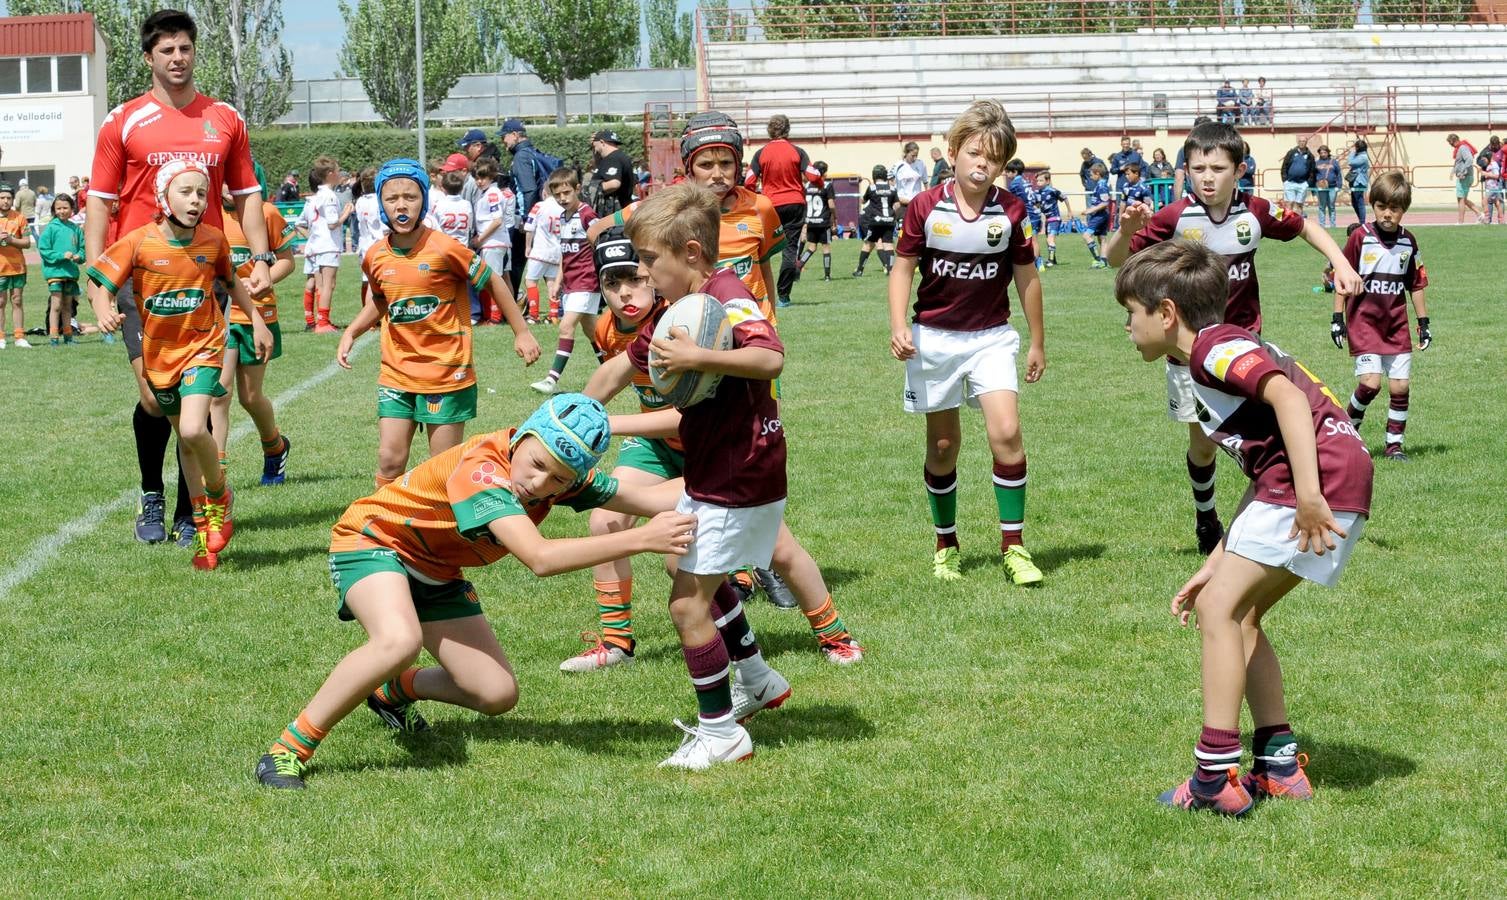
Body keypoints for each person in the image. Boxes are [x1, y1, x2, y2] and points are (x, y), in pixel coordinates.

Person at [253, 393, 701, 790]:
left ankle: (391, 692)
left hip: (437, 568)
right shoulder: (483, 469)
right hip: (374, 541)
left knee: (496, 694)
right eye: (539, 465)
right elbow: (539, 557)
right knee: (398, 641)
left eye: (559, 480)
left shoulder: (563, 473)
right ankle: (287, 749)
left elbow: (652, 499)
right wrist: (640, 539)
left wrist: (734, 468)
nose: (540, 485)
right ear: (523, 435)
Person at [1114, 239, 1373, 816]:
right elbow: (1264, 465)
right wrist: (1219, 556)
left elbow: (1284, 397)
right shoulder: (1209, 350)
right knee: (1240, 613)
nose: (1127, 327)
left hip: (1316, 482)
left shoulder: (1214, 348)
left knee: (1218, 613)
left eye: (1131, 314)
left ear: (1166, 313)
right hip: (1325, 477)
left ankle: (1213, 776)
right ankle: (1278, 764)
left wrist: (1308, 495)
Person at [1105, 119, 1360, 554]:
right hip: (1187, 355)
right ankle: (1207, 517)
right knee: (1204, 444)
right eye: (1199, 168)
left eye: (1218, 168)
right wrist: (1128, 231)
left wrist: (1342, 262)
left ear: (1239, 171)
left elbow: (1305, 227)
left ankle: (1275, 509)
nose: (1208, 178)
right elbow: (1114, 259)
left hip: (1243, 345)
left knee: (1266, 430)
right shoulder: (1174, 217)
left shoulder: (1255, 212)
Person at [614, 182, 794, 767]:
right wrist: (568, 418)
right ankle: (758, 678)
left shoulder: (728, 297)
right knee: (680, 562)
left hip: (739, 472)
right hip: (718, 470)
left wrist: (701, 358)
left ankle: (721, 734)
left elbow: (770, 358)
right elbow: (627, 364)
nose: (642, 275)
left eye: (649, 261)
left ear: (690, 254)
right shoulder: (677, 310)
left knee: (687, 607)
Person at [88, 9, 273, 549]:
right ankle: (152, 493)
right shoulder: (122, 120)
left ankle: (196, 508)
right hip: (138, 274)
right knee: (153, 396)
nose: (177, 58)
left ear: (194, 53)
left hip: (204, 273)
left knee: (199, 396)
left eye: (184, 49)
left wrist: (259, 257)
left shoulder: (224, 118)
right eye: (166, 51)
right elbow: (100, 200)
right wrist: (100, 276)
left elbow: (249, 194)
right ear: (149, 58)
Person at [888, 100, 1047, 586]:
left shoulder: (1012, 210)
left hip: (991, 339)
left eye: (994, 158)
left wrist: (1038, 340)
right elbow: (902, 268)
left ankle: (1014, 547)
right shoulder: (924, 205)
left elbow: (1027, 276)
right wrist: (898, 325)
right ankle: (946, 545)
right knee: (942, 446)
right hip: (933, 339)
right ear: (954, 153)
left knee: (1007, 434)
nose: (983, 164)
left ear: (1003, 165)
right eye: (975, 153)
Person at [87, 160, 273, 570]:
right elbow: (98, 281)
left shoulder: (213, 241)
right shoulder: (138, 243)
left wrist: (257, 320)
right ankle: (205, 536)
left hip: (204, 347)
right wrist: (102, 308)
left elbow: (231, 282)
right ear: (162, 197)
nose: (195, 200)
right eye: (185, 191)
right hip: (159, 358)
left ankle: (219, 496)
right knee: (186, 444)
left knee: (193, 428)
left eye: (201, 193)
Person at [336, 159, 540, 488]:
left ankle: (446, 535)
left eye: (410, 197)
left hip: (447, 374)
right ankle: (381, 531)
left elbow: (493, 282)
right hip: (397, 372)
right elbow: (380, 300)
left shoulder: (445, 249)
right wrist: (352, 331)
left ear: (424, 201)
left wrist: (522, 332)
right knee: (389, 461)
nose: (401, 205)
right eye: (391, 198)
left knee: (443, 469)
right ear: (380, 203)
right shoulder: (374, 255)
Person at [588, 111, 784, 323]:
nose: (717, 174)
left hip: (749, 326)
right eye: (706, 165)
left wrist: (769, 322)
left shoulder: (760, 207)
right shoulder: (665, 206)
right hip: (691, 326)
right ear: (689, 167)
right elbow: (596, 231)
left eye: (726, 163)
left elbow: (764, 269)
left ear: (738, 164)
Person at [1332, 172, 1431, 463]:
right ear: (1372, 205)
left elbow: (1416, 284)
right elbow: (1342, 277)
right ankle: (1346, 433)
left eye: (1395, 208)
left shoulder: (1408, 242)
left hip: (1396, 324)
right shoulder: (1360, 237)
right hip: (1364, 323)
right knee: (1370, 384)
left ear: (1404, 210)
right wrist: (1337, 316)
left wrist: (1424, 322)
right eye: (1381, 207)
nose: (1387, 214)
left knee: (1400, 386)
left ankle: (1394, 446)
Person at [210, 185, 296, 484]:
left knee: (250, 396)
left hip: (259, 314)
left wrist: (263, 279)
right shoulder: (208, 213)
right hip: (219, 314)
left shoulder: (267, 212)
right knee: (218, 394)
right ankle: (217, 474)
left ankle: (275, 447)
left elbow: (287, 260)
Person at [532, 168, 600, 395]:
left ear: (577, 189)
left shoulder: (587, 214)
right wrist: (558, 281)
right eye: (557, 194)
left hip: (586, 281)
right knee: (594, 334)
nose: (562, 198)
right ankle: (615, 369)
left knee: (565, 326)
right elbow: (565, 253)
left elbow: (599, 242)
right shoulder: (562, 217)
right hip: (571, 283)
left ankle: (551, 379)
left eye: (566, 192)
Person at [745, 114, 812, 308]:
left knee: (759, 247)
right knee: (790, 250)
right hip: (795, 203)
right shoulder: (797, 151)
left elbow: (749, 180)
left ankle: (754, 290)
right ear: (788, 130)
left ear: (769, 130)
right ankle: (783, 296)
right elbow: (813, 175)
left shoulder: (761, 153)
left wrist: (753, 197)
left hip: (769, 205)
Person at [306, 156, 351, 333]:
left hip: (318, 243)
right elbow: (332, 223)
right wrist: (346, 213)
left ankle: (320, 320)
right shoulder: (330, 196)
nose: (339, 174)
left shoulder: (317, 195)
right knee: (328, 284)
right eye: (338, 171)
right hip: (328, 244)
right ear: (331, 174)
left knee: (321, 284)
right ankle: (323, 322)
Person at [470, 158, 514, 324]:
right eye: (477, 178)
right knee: (504, 278)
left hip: (493, 242)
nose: (479, 181)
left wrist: (480, 239)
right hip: (499, 241)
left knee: (492, 280)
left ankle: (495, 317)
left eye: (483, 177)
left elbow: (497, 220)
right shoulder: (486, 193)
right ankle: (509, 314)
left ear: (492, 176)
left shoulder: (493, 194)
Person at [39, 193, 85, 346]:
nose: (62, 211)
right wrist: (61, 255)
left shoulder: (76, 229)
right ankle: (53, 337)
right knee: (56, 305)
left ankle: (68, 336)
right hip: (55, 273)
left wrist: (79, 256)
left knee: (67, 306)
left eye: (65, 208)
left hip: (71, 274)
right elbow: (44, 250)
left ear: (72, 209)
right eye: (58, 208)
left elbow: (83, 250)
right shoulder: (51, 228)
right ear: (54, 209)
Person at [522, 183, 565, 323]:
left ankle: (534, 315)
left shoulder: (539, 206)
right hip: (556, 251)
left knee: (530, 281)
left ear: (544, 193)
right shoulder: (562, 208)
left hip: (540, 250)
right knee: (552, 283)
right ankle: (553, 315)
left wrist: (528, 246)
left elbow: (529, 227)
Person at [0, 182, 32, 348]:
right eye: (2, 197)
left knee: (17, 300)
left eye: (8, 198)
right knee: (0, 302)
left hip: (17, 267)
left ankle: (19, 336)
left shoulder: (19, 218)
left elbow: (27, 243)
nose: (5, 201)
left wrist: (11, 240)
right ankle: (1, 337)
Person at [854, 165, 898, 277]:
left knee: (868, 244)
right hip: (889, 220)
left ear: (874, 175)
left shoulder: (872, 188)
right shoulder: (893, 189)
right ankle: (891, 270)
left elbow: (864, 201)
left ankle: (859, 270)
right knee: (888, 245)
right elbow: (896, 205)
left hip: (876, 221)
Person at [353, 167, 386, 309]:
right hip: (378, 245)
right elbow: (384, 228)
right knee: (379, 283)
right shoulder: (379, 201)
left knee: (367, 281)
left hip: (364, 245)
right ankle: (374, 316)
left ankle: (367, 316)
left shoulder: (360, 201)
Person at [800, 160, 836, 281]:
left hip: (811, 221)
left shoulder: (807, 186)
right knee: (825, 247)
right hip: (823, 222)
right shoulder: (827, 185)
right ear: (824, 173)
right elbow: (831, 205)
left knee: (811, 247)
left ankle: (798, 267)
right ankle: (827, 276)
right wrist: (834, 217)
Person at [588, 129, 635, 215]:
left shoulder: (612, 158)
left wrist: (590, 189)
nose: (594, 149)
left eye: (593, 146)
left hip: (615, 214)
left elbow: (614, 183)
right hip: (621, 210)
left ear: (602, 142)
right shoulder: (619, 157)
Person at [1033, 170, 1072, 267]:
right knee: (1048, 240)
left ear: (1048, 181)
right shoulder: (1037, 192)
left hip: (1055, 219)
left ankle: (1050, 261)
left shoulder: (1053, 191)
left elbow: (1065, 198)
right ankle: (1053, 260)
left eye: (1041, 180)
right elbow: (1037, 205)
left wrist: (1069, 211)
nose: (1038, 183)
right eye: (1037, 181)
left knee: (1050, 239)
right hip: (1047, 219)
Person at [1446, 133, 1484, 224]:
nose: (1450, 145)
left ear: (1453, 140)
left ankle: (1460, 222)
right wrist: (1453, 172)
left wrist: (1462, 171)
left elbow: (1469, 160)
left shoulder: (1462, 148)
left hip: (1464, 177)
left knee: (1461, 199)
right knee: (1464, 199)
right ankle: (1479, 214)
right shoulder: (1460, 148)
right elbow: (1459, 163)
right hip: (1466, 176)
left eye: (1450, 143)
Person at [1082, 163, 1111, 267]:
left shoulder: (1102, 186)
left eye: (1091, 174)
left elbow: (1105, 203)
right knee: (1102, 238)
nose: (1090, 176)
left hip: (1100, 215)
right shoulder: (1099, 184)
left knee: (1086, 235)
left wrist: (1091, 210)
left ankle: (1097, 259)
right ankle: (1104, 261)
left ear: (1097, 173)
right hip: (1101, 215)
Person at [892, 141, 928, 221]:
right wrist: (895, 200)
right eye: (912, 156)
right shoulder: (898, 165)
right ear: (906, 153)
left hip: (917, 203)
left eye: (916, 155)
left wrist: (928, 199)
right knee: (902, 230)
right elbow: (890, 182)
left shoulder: (921, 164)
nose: (915, 158)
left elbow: (926, 182)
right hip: (903, 204)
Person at [1279, 136, 1315, 216]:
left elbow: (1312, 170)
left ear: (1306, 142)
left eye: (1304, 141)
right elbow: (1284, 166)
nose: (1302, 142)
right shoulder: (1291, 153)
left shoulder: (1310, 155)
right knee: (1289, 203)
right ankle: (1289, 223)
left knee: (1299, 204)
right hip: (1290, 182)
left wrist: (1308, 183)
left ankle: (1298, 223)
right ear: (1298, 142)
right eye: (1300, 141)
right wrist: (1285, 180)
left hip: (1302, 184)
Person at [1313, 145, 1341, 229]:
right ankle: (1322, 225)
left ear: (1328, 152)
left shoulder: (1333, 162)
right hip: (1321, 187)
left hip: (1332, 187)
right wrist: (1314, 187)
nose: (1323, 154)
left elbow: (1339, 174)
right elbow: (1313, 175)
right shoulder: (1317, 163)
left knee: (1331, 206)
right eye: (1321, 153)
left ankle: (1333, 225)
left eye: (1325, 152)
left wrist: (1338, 186)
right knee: (1322, 206)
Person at [1346, 139, 1370, 225]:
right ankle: (1361, 220)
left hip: (1359, 182)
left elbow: (1350, 162)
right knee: (1354, 202)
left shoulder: (1363, 157)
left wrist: (1352, 152)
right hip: (1354, 181)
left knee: (1359, 202)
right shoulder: (1359, 155)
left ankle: (1362, 222)